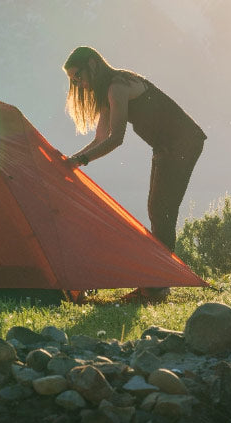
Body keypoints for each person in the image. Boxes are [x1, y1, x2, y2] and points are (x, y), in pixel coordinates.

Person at [63, 46, 206, 301]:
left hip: (182, 142)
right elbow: (100, 137)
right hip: (167, 146)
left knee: (161, 209)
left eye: (78, 76)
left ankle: (157, 286)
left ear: (92, 65)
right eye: (73, 80)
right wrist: (71, 160)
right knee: (158, 208)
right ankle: (157, 283)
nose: (78, 84)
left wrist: (79, 160)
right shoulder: (109, 89)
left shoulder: (117, 86)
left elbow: (116, 139)